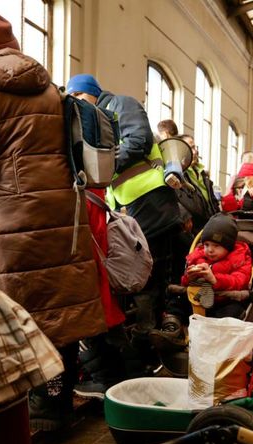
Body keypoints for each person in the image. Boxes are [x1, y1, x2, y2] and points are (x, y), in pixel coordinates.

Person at [0, 8, 105, 431]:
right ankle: (56, 401)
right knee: (61, 305)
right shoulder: (51, 89)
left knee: (18, 308)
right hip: (64, 210)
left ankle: (26, 411)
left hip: (12, 216)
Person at [66, 74, 182, 364]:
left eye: (80, 97)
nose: (77, 104)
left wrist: (104, 165)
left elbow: (139, 139)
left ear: (93, 93)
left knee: (148, 276)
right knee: (138, 273)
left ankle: (150, 344)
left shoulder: (120, 104)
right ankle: (144, 345)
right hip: (133, 205)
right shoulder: (94, 117)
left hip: (151, 203)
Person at [180, 213, 252, 319]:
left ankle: (218, 328)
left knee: (234, 310)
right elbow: (184, 283)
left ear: (229, 247)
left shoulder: (239, 259)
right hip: (198, 298)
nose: (210, 250)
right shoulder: (197, 256)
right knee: (177, 299)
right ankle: (172, 323)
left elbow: (239, 282)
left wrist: (215, 279)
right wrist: (189, 277)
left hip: (224, 300)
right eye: (206, 245)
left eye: (216, 246)